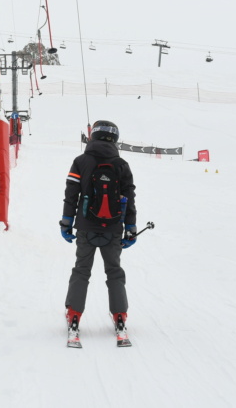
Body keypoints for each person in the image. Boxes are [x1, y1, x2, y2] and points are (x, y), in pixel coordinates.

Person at [59, 120, 137, 346]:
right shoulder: (122, 165)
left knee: (81, 270)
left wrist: (66, 223)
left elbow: (70, 195)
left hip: (86, 228)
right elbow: (129, 199)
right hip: (113, 229)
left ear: (93, 137)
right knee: (114, 271)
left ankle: (74, 316)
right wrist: (130, 228)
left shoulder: (80, 162)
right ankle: (120, 317)